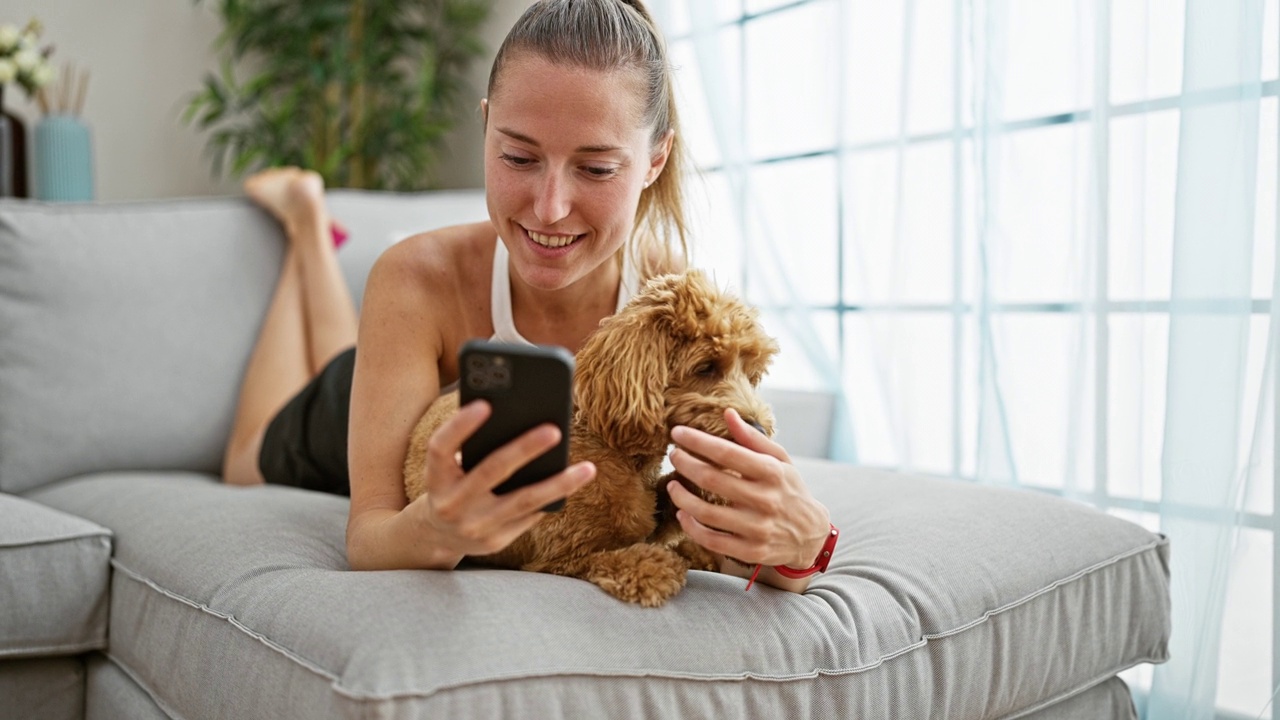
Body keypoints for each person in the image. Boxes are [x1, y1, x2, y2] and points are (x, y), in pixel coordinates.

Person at [222, 0, 833, 593]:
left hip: (400, 366)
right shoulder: (416, 275)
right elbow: (371, 538)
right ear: (486, 126)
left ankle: (314, 234)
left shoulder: (665, 297)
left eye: (595, 169)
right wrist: (436, 528)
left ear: (654, 160)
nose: (550, 209)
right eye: (518, 156)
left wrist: (805, 545)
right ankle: (306, 228)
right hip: (351, 403)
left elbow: (722, 509)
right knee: (244, 460)